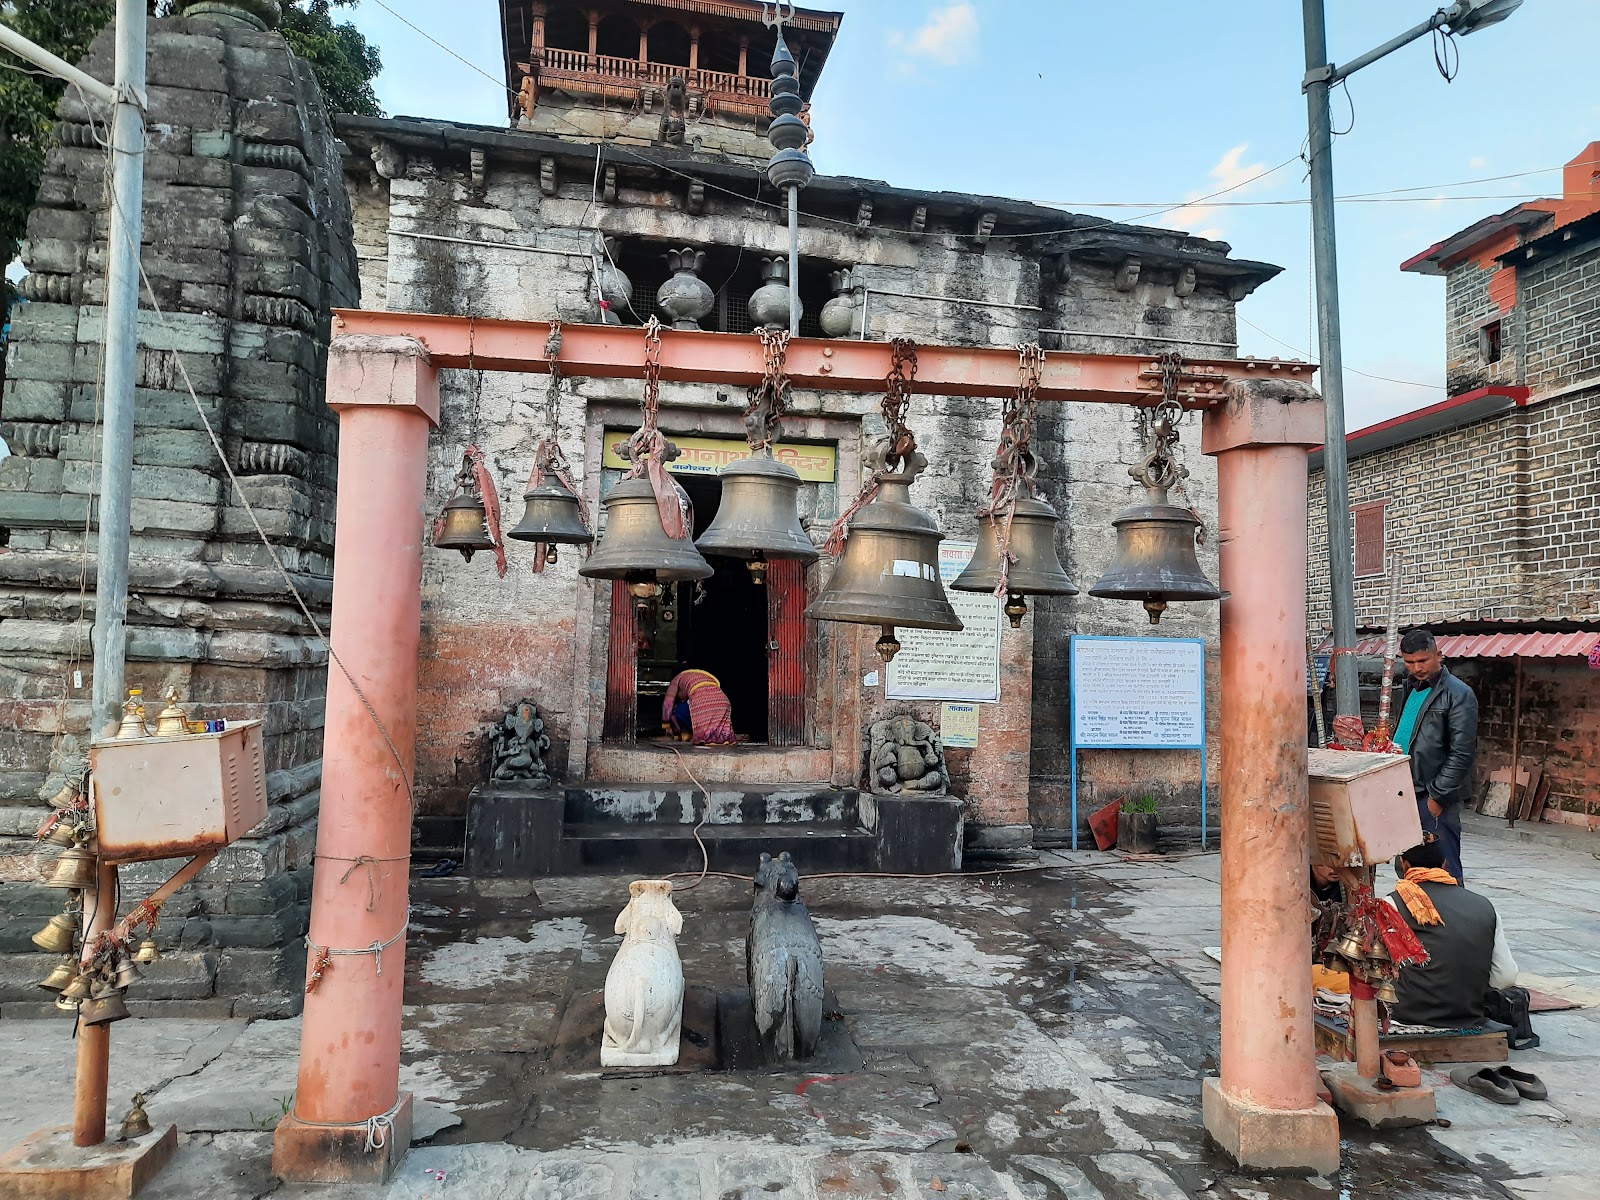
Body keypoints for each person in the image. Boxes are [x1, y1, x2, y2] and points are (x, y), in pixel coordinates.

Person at [1384, 838, 1517, 1029]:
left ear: (1404, 864)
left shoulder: (1392, 903)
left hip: (1407, 1014)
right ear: (1444, 864)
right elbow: (1505, 977)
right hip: (1468, 1014)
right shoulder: (1484, 905)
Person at [1393, 629, 1477, 881]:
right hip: (1404, 793)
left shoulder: (1458, 694)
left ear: (1438, 655)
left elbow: (1462, 752)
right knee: (1408, 869)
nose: (1416, 668)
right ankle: (1416, 918)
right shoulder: (1407, 689)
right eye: (1410, 662)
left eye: (1423, 660)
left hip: (1433, 796)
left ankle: (1454, 920)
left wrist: (1437, 797)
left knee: (1444, 870)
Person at [661, 668, 738, 746]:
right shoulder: (707, 677)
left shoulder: (676, 680)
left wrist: (666, 724)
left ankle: (691, 734)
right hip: (723, 701)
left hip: (702, 701)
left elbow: (668, 704)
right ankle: (722, 739)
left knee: (678, 710)